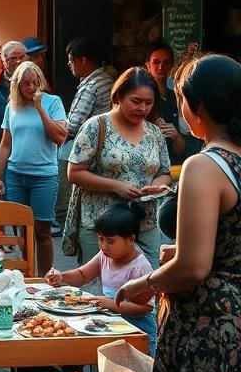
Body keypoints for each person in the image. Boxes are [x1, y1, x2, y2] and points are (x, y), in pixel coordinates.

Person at [115, 55, 241, 372]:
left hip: (217, 327)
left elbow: (193, 267)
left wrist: (145, 282)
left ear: (197, 106)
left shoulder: (207, 165)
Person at [68, 67, 172, 272]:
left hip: (144, 223)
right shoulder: (96, 126)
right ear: (118, 97)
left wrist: (155, 187)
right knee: (97, 285)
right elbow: (74, 173)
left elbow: (165, 172)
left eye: (148, 103)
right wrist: (116, 186)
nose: (142, 108)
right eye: (136, 101)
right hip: (102, 226)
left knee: (146, 283)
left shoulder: (154, 132)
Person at [46, 202, 156, 354]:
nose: (104, 246)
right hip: (111, 322)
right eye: (100, 239)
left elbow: (145, 308)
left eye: (110, 241)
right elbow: (82, 275)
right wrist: (61, 276)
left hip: (137, 330)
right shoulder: (104, 256)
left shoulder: (139, 266)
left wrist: (112, 304)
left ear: (131, 239)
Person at [0, 61, 68, 275]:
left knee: (42, 230)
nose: (31, 87)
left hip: (44, 175)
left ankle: (45, 278)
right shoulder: (12, 106)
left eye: (35, 83)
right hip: (16, 174)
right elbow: (5, 143)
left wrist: (39, 108)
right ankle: (28, 276)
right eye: (26, 83)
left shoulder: (53, 102)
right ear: (17, 84)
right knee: (22, 230)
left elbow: (59, 137)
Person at [56, 38, 114, 230]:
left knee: (64, 160)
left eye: (71, 60)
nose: (68, 64)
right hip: (101, 145)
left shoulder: (91, 86)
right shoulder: (105, 80)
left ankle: (63, 221)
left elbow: (72, 125)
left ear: (82, 60)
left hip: (84, 146)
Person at [145, 40, 189, 163]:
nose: (161, 67)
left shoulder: (178, 98)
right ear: (147, 65)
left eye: (166, 63)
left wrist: (176, 136)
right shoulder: (143, 98)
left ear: (172, 66)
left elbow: (181, 149)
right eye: (156, 62)